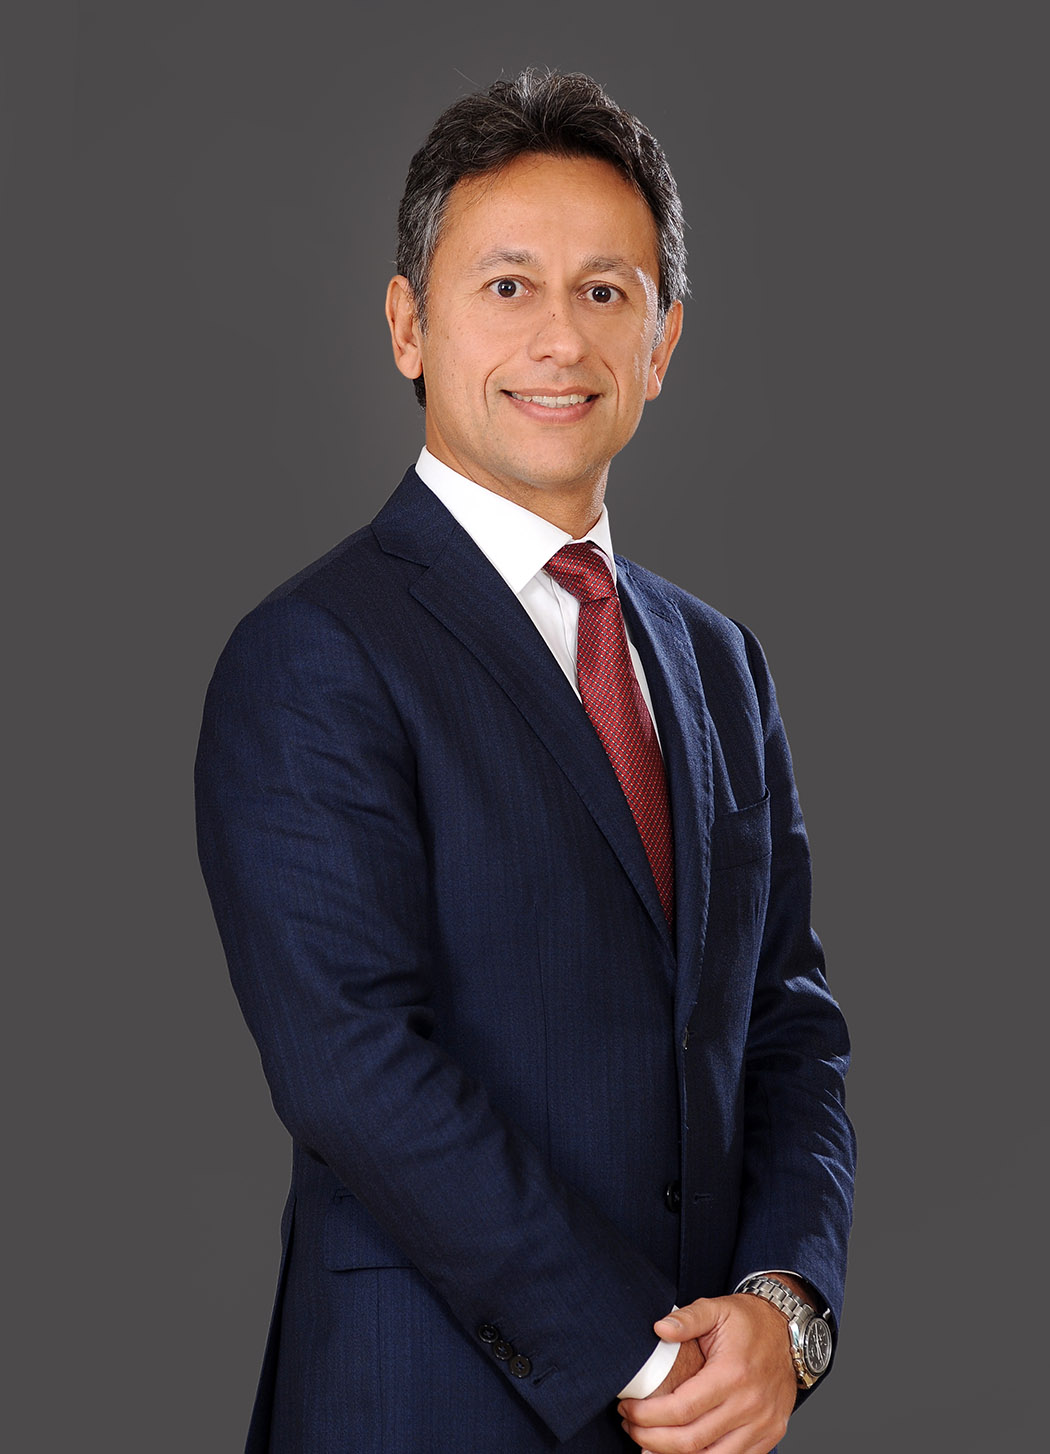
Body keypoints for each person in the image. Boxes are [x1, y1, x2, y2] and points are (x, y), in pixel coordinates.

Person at [195, 70, 855, 1454]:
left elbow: (787, 1025)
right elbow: (354, 1066)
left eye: (606, 292)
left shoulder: (719, 663)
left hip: (706, 1422)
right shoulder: (315, 651)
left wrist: (781, 1309)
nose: (561, 338)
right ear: (407, 324)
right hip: (423, 1407)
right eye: (507, 286)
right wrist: (639, 1356)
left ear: (662, 342)